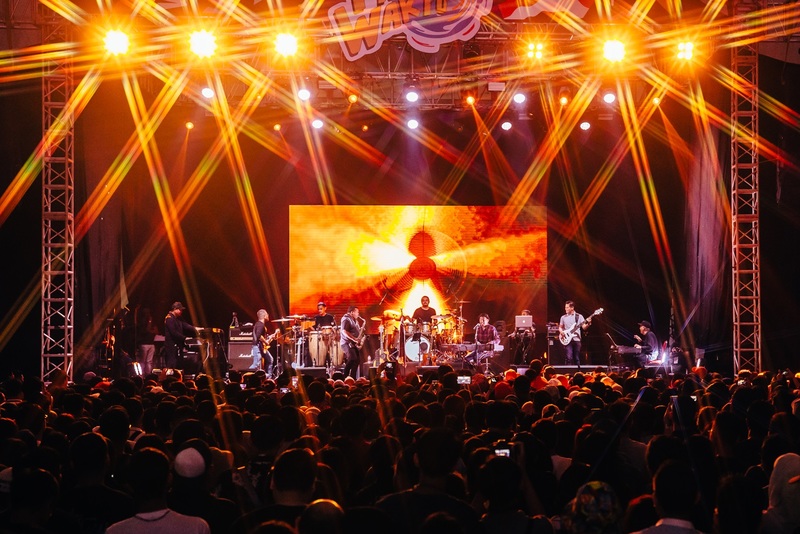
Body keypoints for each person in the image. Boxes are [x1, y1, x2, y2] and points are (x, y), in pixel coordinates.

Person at [164, 301, 198, 370]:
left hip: (178, 345)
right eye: (180, 310)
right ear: (175, 309)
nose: (181, 311)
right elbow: (173, 332)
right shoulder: (169, 318)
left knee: (178, 364)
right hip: (171, 346)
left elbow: (185, 325)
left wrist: (196, 329)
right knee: (172, 363)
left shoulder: (178, 318)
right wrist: (185, 338)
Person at [558, 301, 588, 369]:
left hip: (577, 339)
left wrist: (588, 324)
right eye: (565, 307)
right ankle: (568, 372)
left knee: (577, 358)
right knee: (569, 357)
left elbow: (584, 327)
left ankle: (578, 373)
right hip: (567, 339)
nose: (565, 309)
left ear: (572, 308)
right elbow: (560, 327)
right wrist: (561, 331)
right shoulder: (563, 317)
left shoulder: (579, 316)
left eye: (567, 307)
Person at [251, 309, 278, 375]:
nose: (268, 315)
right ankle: (252, 377)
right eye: (267, 314)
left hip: (261, 347)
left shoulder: (259, 324)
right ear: (264, 316)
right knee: (256, 365)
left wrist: (272, 336)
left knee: (270, 359)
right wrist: (266, 342)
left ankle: (268, 377)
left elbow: (261, 337)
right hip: (257, 347)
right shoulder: (260, 325)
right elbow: (258, 336)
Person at [340, 305, 364, 379]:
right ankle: (345, 377)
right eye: (357, 312)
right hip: (346, 343)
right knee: (352, 358)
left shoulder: (355, 320)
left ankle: (352, 378)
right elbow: (344, 331)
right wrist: (354, 339)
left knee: (357, 360)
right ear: (352, 312)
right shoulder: (346, 319)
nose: (358, 314)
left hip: (353, 344)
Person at [137, 307, 159, 376]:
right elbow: (147, 330)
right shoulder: (143, 321)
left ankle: (148, 374)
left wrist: (152, 330)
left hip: (151, 343)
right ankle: (142, 374)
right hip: (144, 343)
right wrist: (149, 322)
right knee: (143, 361)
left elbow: (156, 331)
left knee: (149, 361)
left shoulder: (152, 321)